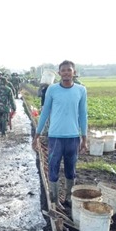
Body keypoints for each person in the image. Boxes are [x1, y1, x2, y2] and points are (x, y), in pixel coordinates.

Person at [32, 60, 88, 207]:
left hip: (73, 137)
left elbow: (83, 114)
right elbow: (44, 112)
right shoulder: (52, 90)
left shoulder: (81, 90)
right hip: (55, 137)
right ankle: (54, 199)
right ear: (59, 73)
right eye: (63, 70)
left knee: (71, 169)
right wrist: (37, 134)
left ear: (74, 72)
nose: (66, 73)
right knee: (53, 167)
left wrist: (84, 137)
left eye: (69, 70)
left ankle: (69, 198)